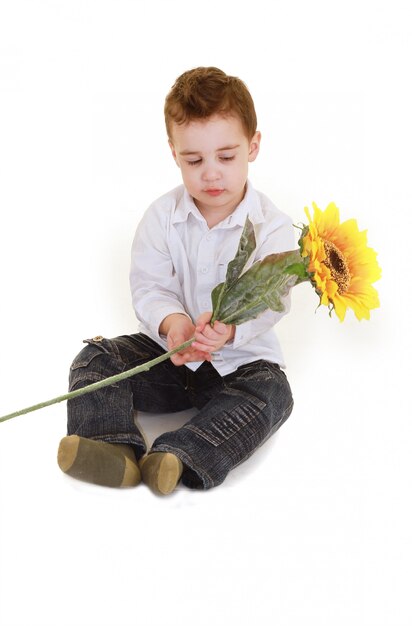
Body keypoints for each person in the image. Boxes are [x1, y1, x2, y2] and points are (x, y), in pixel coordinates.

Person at [57, 66, 294, 495]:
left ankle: (179, 454)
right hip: (172, 357)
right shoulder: (161, 217)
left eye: (226, 156)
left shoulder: (273, 227)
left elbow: (275, 297)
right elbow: (150, 286)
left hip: (240, 367)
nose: (211, 174)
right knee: (95, 359)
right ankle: (111, 447)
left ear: (253, 146)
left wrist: (232, 330)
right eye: (194, 160)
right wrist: (172, 324)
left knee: (274, 395)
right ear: (173, 152)